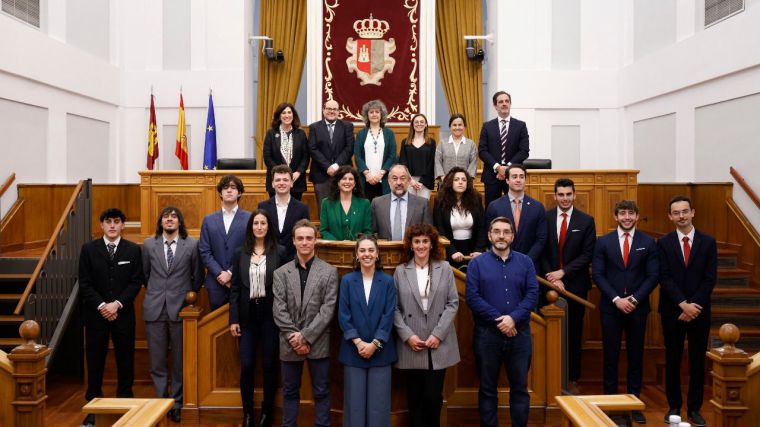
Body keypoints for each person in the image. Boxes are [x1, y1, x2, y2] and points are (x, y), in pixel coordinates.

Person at [465, 217, 538, 427]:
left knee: (520, 389)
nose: (501, 236)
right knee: (487, 389)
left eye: (506, 232)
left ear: (512, 236)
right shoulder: (477, 264)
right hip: (487, 335)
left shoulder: (526, 262)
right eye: (496, 231)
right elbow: (472, 297)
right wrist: (501, 320)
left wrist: (513, 318)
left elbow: (532, 294)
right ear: (489, 235)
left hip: (520, 335)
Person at [592, 200, 658, 425]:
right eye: (623, 213)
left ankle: (633, 404)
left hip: (638, 309)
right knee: (610, 357)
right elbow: (598, 275)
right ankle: (610, 405)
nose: (627, 217)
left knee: (635, 357)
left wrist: (635, 299)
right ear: (616, 216)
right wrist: (617, 299)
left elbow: (653, 276)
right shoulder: (604, 242)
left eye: (631, 213)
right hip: (611, 308)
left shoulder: (648, 242)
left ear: (637, 216)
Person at [79, 208, 143, 427]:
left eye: (117, 221)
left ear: (123, 225)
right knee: (95, 362)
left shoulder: (133, 250)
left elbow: (136, 281)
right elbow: (84, 283)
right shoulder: (88, 250)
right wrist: (102, 305)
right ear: (102, 225)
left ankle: (126, 405)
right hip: (96, 316)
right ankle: (93, 409)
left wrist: (116, 304)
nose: (113, 225)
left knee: (126, 361)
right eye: (109, 222)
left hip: (123, 315)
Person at [272, 220, 339, 427]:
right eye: (300, 238)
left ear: (315, 240)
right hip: (289, 341)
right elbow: (279, 309)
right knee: (290, 391)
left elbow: (328, 309)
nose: (304, 242)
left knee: (321, 390)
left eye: (309, 238)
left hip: (317, 342)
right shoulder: (281, 273)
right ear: (293, 241)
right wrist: (295, 336)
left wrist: (306, 336)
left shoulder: (329, 271)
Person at [393, 224, 460, 427]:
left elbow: (452, 303)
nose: (421, 246)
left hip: (438, 342)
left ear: (432, 245)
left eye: (425, 241)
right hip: (412, 343)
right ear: (411, 245)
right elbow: (394, 309)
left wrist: (438, 334)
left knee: (433, 397)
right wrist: (408, 336)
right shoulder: (401, 271)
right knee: (415, 400)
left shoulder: (445, 268)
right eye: (417, 242)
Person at [658, 196, 716, 427]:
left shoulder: (708, 242)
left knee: (697, 361)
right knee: (672, 359)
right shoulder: (663, 243)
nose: (681, 216)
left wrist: (693, 306)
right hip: (673, 311)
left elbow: (709, 278)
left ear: (693, 212)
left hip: (699, 311)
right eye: (676, 212)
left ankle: (694, 408)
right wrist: (683, 304)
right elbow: (664, 277)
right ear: (670, 216)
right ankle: (673, 406)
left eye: (685, 211)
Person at [142, 206, 202, 423]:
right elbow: (145, 274)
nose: (169, 219)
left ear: (179, 222)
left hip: (182, 310)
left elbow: (197, 277)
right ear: (161, 222)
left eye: (174, 216)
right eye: (166, 217)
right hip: (154, 308)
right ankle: (161, 402)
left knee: (179, 360)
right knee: (157, 360)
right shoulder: (149, 244)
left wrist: (184, 295)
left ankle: (176, 403)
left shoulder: (192, 244)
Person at [230, 209, 286, 427]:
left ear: (268, 226)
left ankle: (267, 412)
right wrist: (233, 319)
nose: (259, 227)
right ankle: (247, 413)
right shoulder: (239, 253)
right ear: (250, 227)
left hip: (271, 315)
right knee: (247, 365)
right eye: (256, 223)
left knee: (270, 365)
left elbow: (284, 287)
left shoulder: (279, 252)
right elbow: (235, 288)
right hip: (247, 316)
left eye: (263, 223)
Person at [539, 178, 596, 394]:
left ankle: (572, 378)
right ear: (554, 196)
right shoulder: (544, 218)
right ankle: (550, 379)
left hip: (576, 286)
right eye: (560, 195)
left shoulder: (586, 221)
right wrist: (553, 277)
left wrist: (563, 273)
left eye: (568, 194)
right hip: (548, 284)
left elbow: (587, 254)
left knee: (573, 333)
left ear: (574, 195)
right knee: (549, 333)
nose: (564, 198)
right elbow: (541, 249)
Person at [338, 234, 397, 427]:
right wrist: (358, 342)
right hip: (353, 351)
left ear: (378, 254)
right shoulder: (347, 280)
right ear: (356, 254)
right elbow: (343, 315)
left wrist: (375, 344)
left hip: (381, 352)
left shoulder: (388, 281)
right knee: (354, 407)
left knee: (378, 407)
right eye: (362, 250)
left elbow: (389, 316)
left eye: (371, 250)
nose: (367, 254)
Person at [200, 175, 251, 310]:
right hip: (216, 283)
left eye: (233, 188)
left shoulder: (250, 218)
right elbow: (205, 252)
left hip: (241, 281)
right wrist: (220, 274)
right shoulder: (208, 220)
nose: (229, 190)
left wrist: (230, 273)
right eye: (225, 187)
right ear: (220, 193)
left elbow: (250, 248)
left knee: (242, 324)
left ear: (239, 192)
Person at [482, 164, 546, 265]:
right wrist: (501, 257)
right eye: (514, 177)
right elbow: (488, 236)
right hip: (501, 263)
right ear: (507, 180)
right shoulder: (494, 206)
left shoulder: (537, 207)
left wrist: (527, 260)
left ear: (525, 180)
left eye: (521, 177)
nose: (518, 180)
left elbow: (541, 239)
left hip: (530, 264)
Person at [479, 91, 530, 207]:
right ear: (495, 106)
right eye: (500, 102)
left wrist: (508, 168)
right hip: (492, 176)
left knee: (515, 208)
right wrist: (498, 167)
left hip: (514, 176)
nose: (504, 104)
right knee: (491, 209)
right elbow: (482, 151)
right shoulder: (487, 126)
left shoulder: (521, 125)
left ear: (510, 104)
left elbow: (524, 151)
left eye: (507, 101)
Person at [308, 99, 355, 213]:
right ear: (323, 110)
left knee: (344, 209)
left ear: (339, 112)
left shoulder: (347, 126)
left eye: (334, 109)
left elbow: (349, 148)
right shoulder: (314, 127)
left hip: (343, 174)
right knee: (324, 210)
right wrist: (327, 166)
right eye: (329, 109)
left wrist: (335, 166)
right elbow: (312, 149)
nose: (331, 111)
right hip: (321, 175)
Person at [433, 167, 486, 269]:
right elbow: (439, 230)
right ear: (450, 182)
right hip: (449, 250)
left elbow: (482, 226)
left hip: (473, 250)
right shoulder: (440, 200)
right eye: (456, 180)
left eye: (464, 180)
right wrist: (452, 251)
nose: (460, 182)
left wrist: (479, 250)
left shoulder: (476, 198)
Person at [258, 165, 310, 262]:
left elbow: (306, 236)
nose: (281, 183)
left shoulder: (302, 208)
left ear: (291, 183)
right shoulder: (263, 207)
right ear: (272, 184)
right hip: (269, 260)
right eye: (278, 180)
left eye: (285, 180)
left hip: (294, 261)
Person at [371, 164, 433, 241]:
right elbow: (372, 233)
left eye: (403, 178)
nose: (399, 182)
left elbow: (429, 234)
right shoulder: (377, 203)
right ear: (389, 181)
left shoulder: (422, 204)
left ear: (409, 180)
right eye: (394, 178)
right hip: (386, 251)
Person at [263, 102, 309, 200]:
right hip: (276, 180)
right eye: (283, 113)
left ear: (293, 115)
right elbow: (267, 157)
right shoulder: (271, 133)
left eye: (289, 112)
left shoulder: (300, 134)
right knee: (275, 212)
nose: (287, 115)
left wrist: (299, 172)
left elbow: (306, 156)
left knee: (294, 212)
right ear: (279, 116)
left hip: (296, 181)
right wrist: (280, 173)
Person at [354, 99, 397, 200]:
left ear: (381, 115)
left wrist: (381, 173)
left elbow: (392, 155)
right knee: (366, 210)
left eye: (377, 112)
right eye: (371, 112)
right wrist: (367, 174)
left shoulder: (389, 133)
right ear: (367, 115)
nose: (374, 114)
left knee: (383, 211)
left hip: (384, 178)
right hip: (365, 179)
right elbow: (357, 155)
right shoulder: (361, 133)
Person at [319, 166, 372, 240]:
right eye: (344, 179)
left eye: (351, 179)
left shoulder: (365, 204)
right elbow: (324, 231)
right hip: (334, 249)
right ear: (338, 182)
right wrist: (338, 244)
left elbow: (367, 231)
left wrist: (356, 244)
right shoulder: (326, 203)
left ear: (355, 183)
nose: (347, 182)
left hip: (357, 249)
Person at [399, 113, 436, 199]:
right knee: (409, 209)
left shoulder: (431, 142)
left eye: (422, 122)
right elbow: (402, 163)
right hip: (408, 181)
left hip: (425, 182)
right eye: (416, 122)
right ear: (412, 124)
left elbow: (431, 163)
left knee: (422, 208)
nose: (419, 124)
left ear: (426, 124)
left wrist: (421, 182)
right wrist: (410, 180)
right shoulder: (405, 142)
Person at [434, 113, 478, 185]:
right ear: (450, 126)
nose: (457, 127)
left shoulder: (471, 144)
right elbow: (437, 161)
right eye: (454, 125)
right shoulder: (442, 143)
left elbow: (473, 163)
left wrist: (466, 179)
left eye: (460, 125)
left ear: (464, 126)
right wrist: (443, 177)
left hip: (464, 184)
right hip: (445, 183)